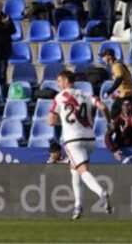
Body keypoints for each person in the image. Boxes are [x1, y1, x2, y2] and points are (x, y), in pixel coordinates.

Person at [48, 70, 113, 220]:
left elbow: (51, 121)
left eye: (59, 81)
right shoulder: (87, 94)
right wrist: (109, 122)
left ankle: (101, 192)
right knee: (74, 170)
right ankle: (78, 207)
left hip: (73, 140)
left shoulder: (59, 97)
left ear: (65, 80)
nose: (58, 85)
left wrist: (62, 120)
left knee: (83, 172)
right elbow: (103, 108)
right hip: (90, 139)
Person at [100, 48, 132, 115]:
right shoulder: (116, 65)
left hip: (128, 95)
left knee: (121, 114)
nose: (102, 59)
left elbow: (119, 80)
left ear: (109, 56)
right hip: (125, 94)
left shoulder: (117, 66)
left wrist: (109, 92)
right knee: (115, 112)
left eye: (103, 56)